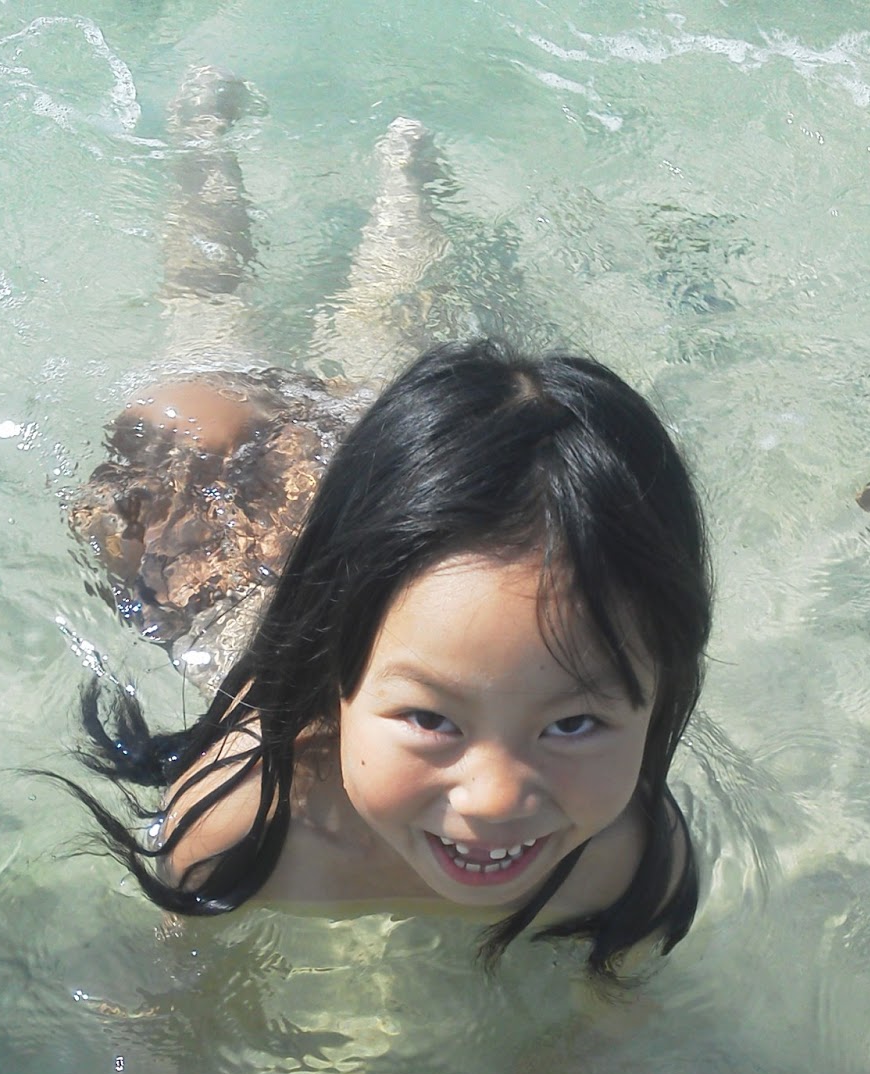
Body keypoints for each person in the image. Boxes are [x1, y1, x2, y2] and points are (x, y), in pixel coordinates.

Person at [64, 76, 713, 982]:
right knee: (208, 322)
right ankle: (204, 136)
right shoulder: (239, 825)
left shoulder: (628, 868)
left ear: (663, 688)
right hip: (232, 524)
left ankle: (405, 182)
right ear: (335, 685)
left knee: (387, 342)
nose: (494, 801)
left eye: (573, 723)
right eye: (429, 718)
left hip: (398, 547)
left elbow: (611, 1020)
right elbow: (177, 989)